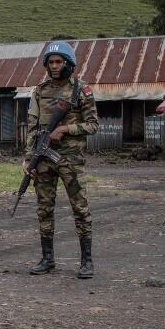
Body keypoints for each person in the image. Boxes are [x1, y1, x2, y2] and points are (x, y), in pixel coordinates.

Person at [22, 41, 99, 278]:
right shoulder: (39, 91)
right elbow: (33, 127)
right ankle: (47, 259)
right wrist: (28, 159)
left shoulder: (81, 90)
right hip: (43, 158)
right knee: (44, 209)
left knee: (80, 208)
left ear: (69, 64)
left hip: (70, 160)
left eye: (58, 62)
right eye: (50, 62)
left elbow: (93, 125)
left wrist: (65, 129)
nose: (54, 66)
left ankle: (87, 261)